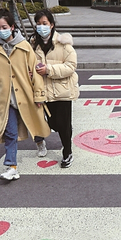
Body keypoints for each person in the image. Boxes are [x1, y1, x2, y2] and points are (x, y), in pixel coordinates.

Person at [0, 9, 50, 181]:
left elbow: (35, 72)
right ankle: (12, 167)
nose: (1, 30)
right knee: (10, 132)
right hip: (7, 98)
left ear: (12, 26)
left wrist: (38, 95)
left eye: (4, 26)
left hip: (26, 94)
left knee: (33, 123)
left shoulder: (24, 46)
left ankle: (39, 141)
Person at [30, 9, 79, 168]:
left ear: (51, 25)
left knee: (63, 125)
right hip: (43, 92)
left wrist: (49, 70)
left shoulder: (63, 43)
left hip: (62, 91)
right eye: (38, 24)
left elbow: (71, 66)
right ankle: (44, 143)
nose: (41, 27)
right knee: (51, 123)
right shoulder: (33, 44)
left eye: (44, 23)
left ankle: (67, 152)